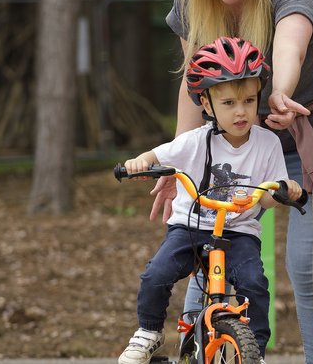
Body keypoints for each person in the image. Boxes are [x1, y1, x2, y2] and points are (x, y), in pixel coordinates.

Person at [154, 0, 313, 363]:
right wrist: (179, 160)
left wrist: (280, 93)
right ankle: (197, 355)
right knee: (208, 252)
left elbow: (290, 44)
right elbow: (197, 85)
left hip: (303, 135)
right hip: (232, 146)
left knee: (307, 268)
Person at [118, 36, 303, 364]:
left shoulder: (267, 143)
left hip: (238, 233)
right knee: (156, 274)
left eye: (248, 100)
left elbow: (270, 197)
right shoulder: (194, 141)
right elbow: (155, 155)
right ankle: (148, 332)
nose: (241, 111)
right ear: (206, 105)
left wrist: (283, 188)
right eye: (229, 103)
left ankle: (253, 351)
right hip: (190, 229)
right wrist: (139, 163)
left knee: (254, 284)